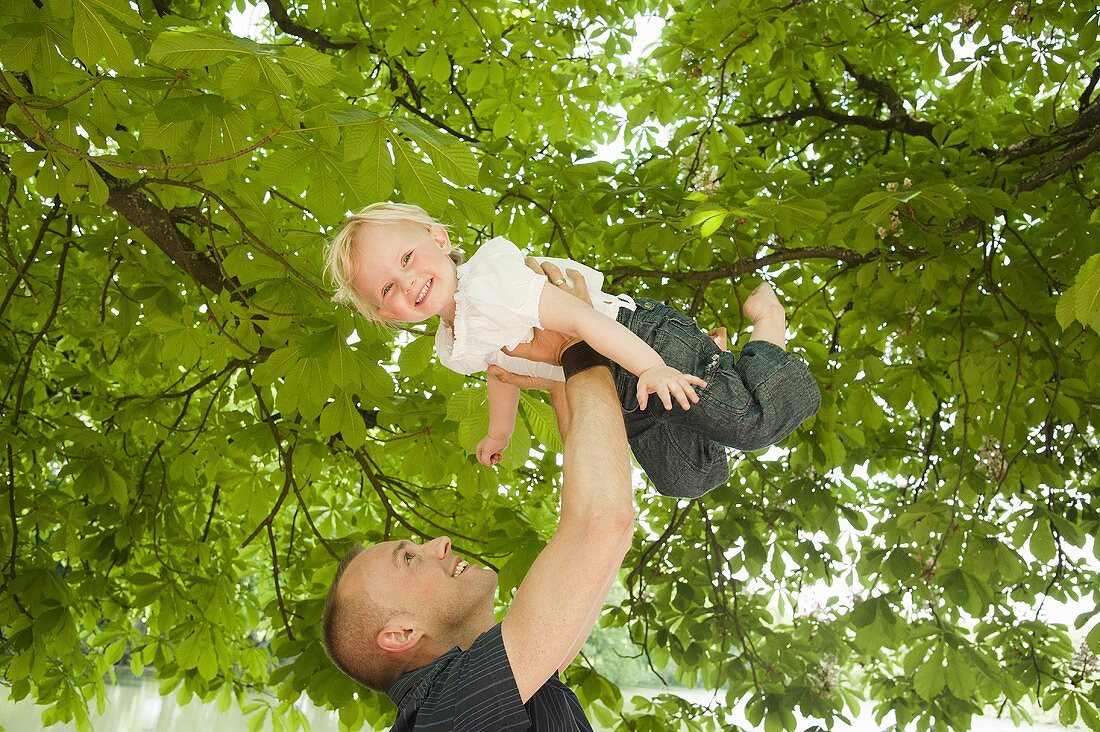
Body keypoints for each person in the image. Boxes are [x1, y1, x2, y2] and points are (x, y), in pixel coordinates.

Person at [325, 201, 820, 499]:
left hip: (637, 339)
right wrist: (500, 431)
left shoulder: (491, 279)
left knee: (750, 422)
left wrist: (654, 366)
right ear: (387, 316)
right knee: (686, 479)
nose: (407, 281)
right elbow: (500, 375)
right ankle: (713, 368)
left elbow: (580, 317)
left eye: (407, 258)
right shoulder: (452, 346)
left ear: (438, 236)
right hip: (612, 391)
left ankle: (768, 329)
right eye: (387, 289)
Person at [321, 266, 633, 730]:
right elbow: (602, 524)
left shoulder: (473, 700)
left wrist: (560, 380)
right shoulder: (451, 714)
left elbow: (599, 536)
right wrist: (579, 342)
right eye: (408, 559)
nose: (440, 542)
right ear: (401, 634)